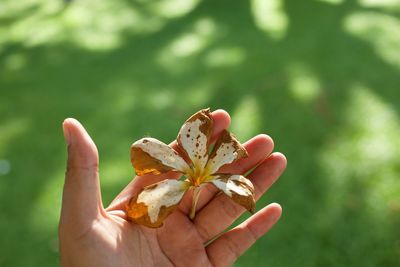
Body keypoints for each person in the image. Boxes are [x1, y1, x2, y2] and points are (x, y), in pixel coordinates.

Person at [59, 109, 287, 267]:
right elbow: (144, 152)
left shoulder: (226, 172)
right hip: (185, 182)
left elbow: (242, 185)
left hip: (203, 178)